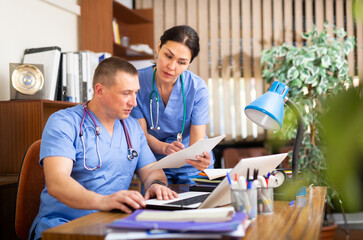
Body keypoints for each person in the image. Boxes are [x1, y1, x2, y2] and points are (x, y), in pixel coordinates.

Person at [29, 57, 178, 240]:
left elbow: (152, 172)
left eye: (136, 93)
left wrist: (157, 185)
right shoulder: (64, 122)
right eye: (126, 93)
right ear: (100, 90)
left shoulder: (132, 127)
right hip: (63, 226)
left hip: (112, 224)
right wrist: (103, 202)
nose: (134, 102)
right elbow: (57, 182)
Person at [130, 25, 214, 185]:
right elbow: (141, 135)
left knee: (196, 205)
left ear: (189, 63)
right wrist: (164, 148)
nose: (172, 67)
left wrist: (200, 158)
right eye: (168, 56)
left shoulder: (197, 88)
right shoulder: (137, 82)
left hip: (191, 164)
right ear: (158, 47)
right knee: (156, 206)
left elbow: (196, 143)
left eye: (182, 62)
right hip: (154, 164)